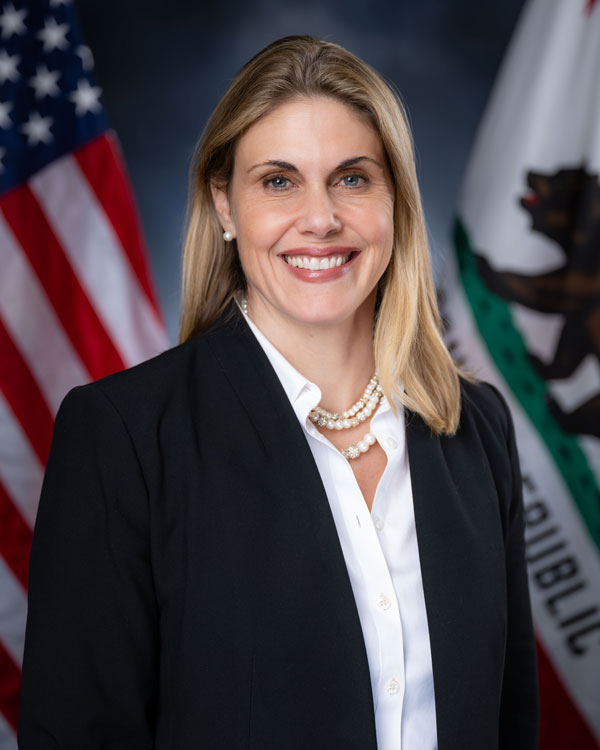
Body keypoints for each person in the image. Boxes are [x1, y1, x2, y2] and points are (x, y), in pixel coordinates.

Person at [19, 35, 539, 749]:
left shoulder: (476, 429)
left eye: (353, 178)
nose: (320, 218)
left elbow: (511, 725)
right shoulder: (126, 437)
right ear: (224, 206)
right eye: (278, 181)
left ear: (397, 203)